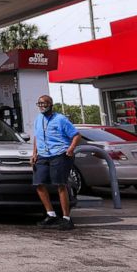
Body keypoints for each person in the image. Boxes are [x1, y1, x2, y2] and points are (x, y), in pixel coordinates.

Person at [31, 94, 82, 230]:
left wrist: (71, 149)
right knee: (39, 184)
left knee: (60, 185)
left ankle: (66, 218)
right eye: (40, 104)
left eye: (44, 103)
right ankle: (51, 215)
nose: (42, 106)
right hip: (43, 155)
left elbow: (76, 135)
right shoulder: (38, 119)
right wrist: (34, 153)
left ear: (51, 105)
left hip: (59, 154)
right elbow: (37, 137)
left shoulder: (60, 119)